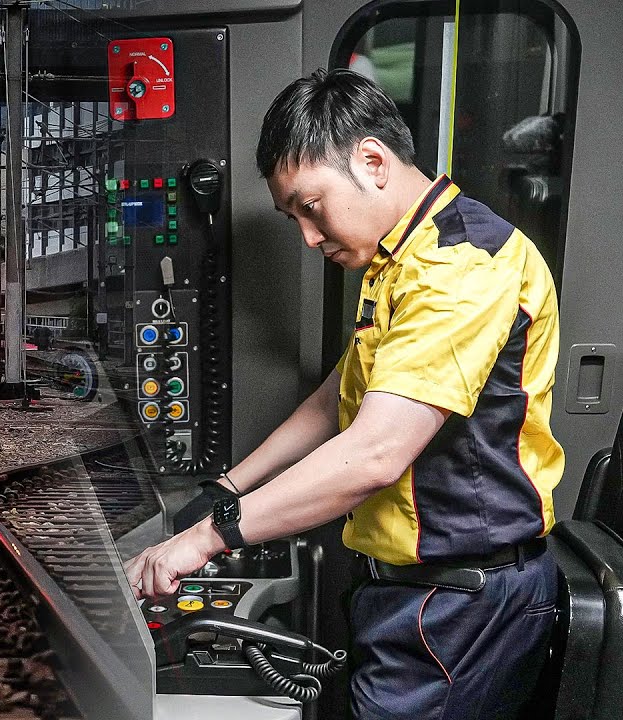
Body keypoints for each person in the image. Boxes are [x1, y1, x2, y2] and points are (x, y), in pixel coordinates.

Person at [124, 68, 564, 719]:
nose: (307, 235)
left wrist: (208, 539)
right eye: (293, 216)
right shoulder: (396, 262)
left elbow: (379, 448)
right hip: (410, 592)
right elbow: (339, 398)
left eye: (310, 205)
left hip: (459, 603)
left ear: (372, 160)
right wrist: (227, 490)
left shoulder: (459, 266)